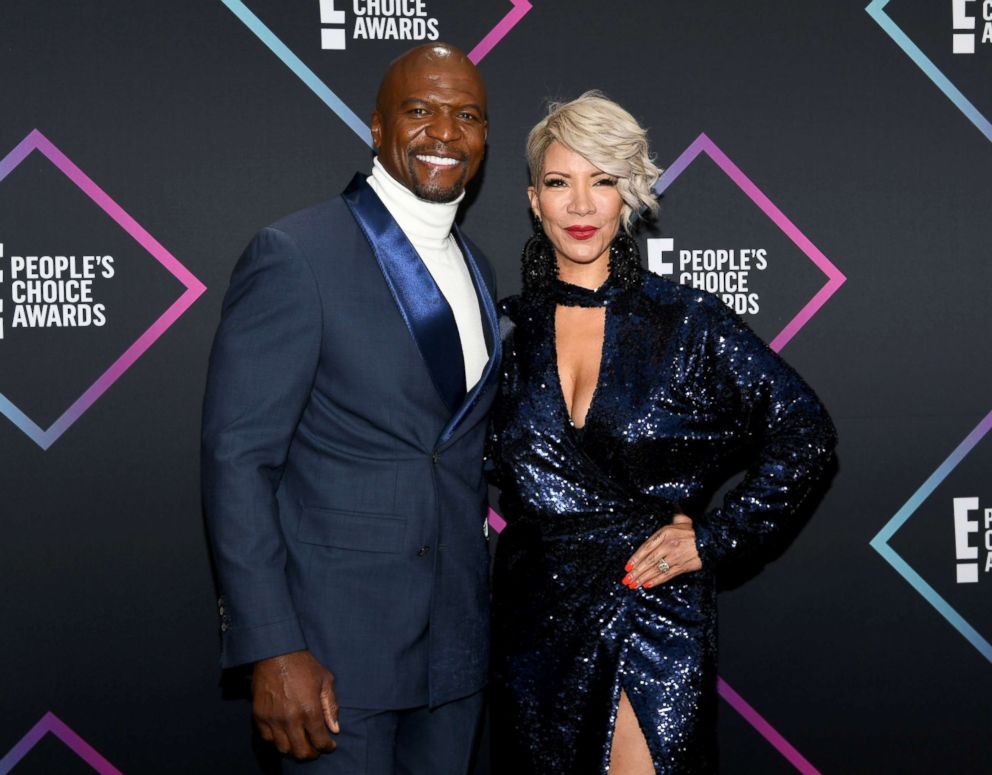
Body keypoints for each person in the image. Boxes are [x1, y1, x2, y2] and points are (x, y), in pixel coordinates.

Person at [487, 92, 837, 774]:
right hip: (534, 622)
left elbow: (806, 432)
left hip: (649, 610)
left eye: (603, 181)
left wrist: (711, 538)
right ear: (534, 200)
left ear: (629, 194)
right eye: (561, 183)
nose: (582, 206)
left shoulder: (688, 322)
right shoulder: (500, 330)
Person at [201, 44, 500, 774]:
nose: (444, 132)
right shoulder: (296, 254)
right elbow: (238, 459)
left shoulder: (479, 266)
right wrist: (272, 646)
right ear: (375, 126)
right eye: (420, 110)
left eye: (467, 116)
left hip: (453, 663)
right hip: (331, 663)